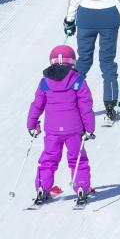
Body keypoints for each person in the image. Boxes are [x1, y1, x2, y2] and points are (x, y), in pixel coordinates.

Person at [27, 45, 95, 205]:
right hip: (74, 130)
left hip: (52, 130)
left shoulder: (45, 82)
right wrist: (89, 129)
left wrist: (32, 124)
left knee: (49, 159)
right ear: (72, 62)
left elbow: (37, 104)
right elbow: (86, 106)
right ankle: (81, 187)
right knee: (77, 158)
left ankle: (42, 187)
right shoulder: (78, 80)